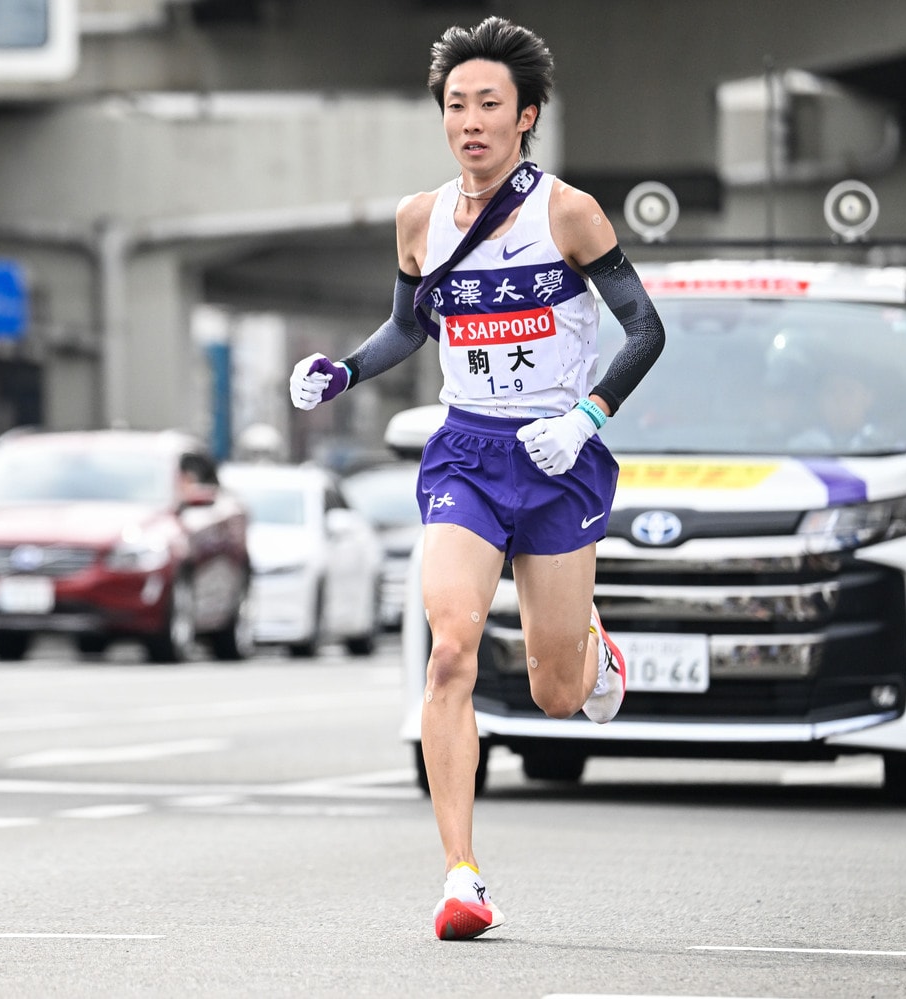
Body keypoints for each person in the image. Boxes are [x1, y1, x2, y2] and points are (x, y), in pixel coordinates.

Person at [286, 17, 665, 941]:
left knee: (554, 693)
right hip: (466, 453)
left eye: (490, 104)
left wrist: (585, 420)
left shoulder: (568, 213)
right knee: (450, 647)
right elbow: (411, 326)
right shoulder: (420, 220)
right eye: (457, 105)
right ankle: (463, 877)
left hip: (559, 459)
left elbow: (645, 330)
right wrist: (344, 371)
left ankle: (590, 646)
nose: (471, 122)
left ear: (526, 116)